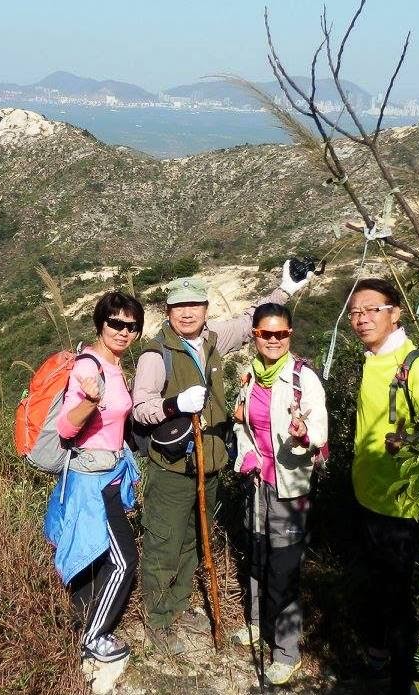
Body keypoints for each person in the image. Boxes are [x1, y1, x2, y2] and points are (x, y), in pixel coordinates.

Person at [132, 262, 312, 653]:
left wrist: (284, 290)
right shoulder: (156, 354)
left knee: (195, 541)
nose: (187, 313)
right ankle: (158, 622)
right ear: (168, 311)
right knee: (164, 543)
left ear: (205, 308)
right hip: (172, 468)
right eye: (179, 306)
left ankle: (178, 604)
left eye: (194, 305)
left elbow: (250, 323)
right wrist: (174, 404)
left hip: (209, 466)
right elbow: (140, 408)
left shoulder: (213, 338)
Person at [347, 278, 419, 694]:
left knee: (397, 597)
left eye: (372, 309)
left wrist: (412, 441)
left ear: (396, 313)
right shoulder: (372, 358)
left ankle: (402, 682)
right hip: (366, 495)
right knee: (373, 587)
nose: (362, 319)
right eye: (355, 312)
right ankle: (376, 659)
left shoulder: (414, 366)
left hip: (400, 505)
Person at [44, 291, 145, 666]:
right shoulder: (89, 367)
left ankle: (79, 626)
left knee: (98, 556)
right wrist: (89, 401)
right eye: (115, 323)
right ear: (100, 324)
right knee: (123, 560)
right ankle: (94, 637)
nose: (123, 331)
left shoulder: (115, 366)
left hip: (110, 475)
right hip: (91, 481)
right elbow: (66, 428)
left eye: (131, 326)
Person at [230, 303, 327, 685]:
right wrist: (246, 454)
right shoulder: (250, 376)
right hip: (258, 482)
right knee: (257, 555)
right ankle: (258, 624)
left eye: (281, 334)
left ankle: (286, 652)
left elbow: (320, 430)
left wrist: (304, 434)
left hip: (291, 487)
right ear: (255, 335)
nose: (273, 340)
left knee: (283, 568)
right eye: (265, 334)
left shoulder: (303, 378)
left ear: (290, 335)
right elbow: (242, 426)